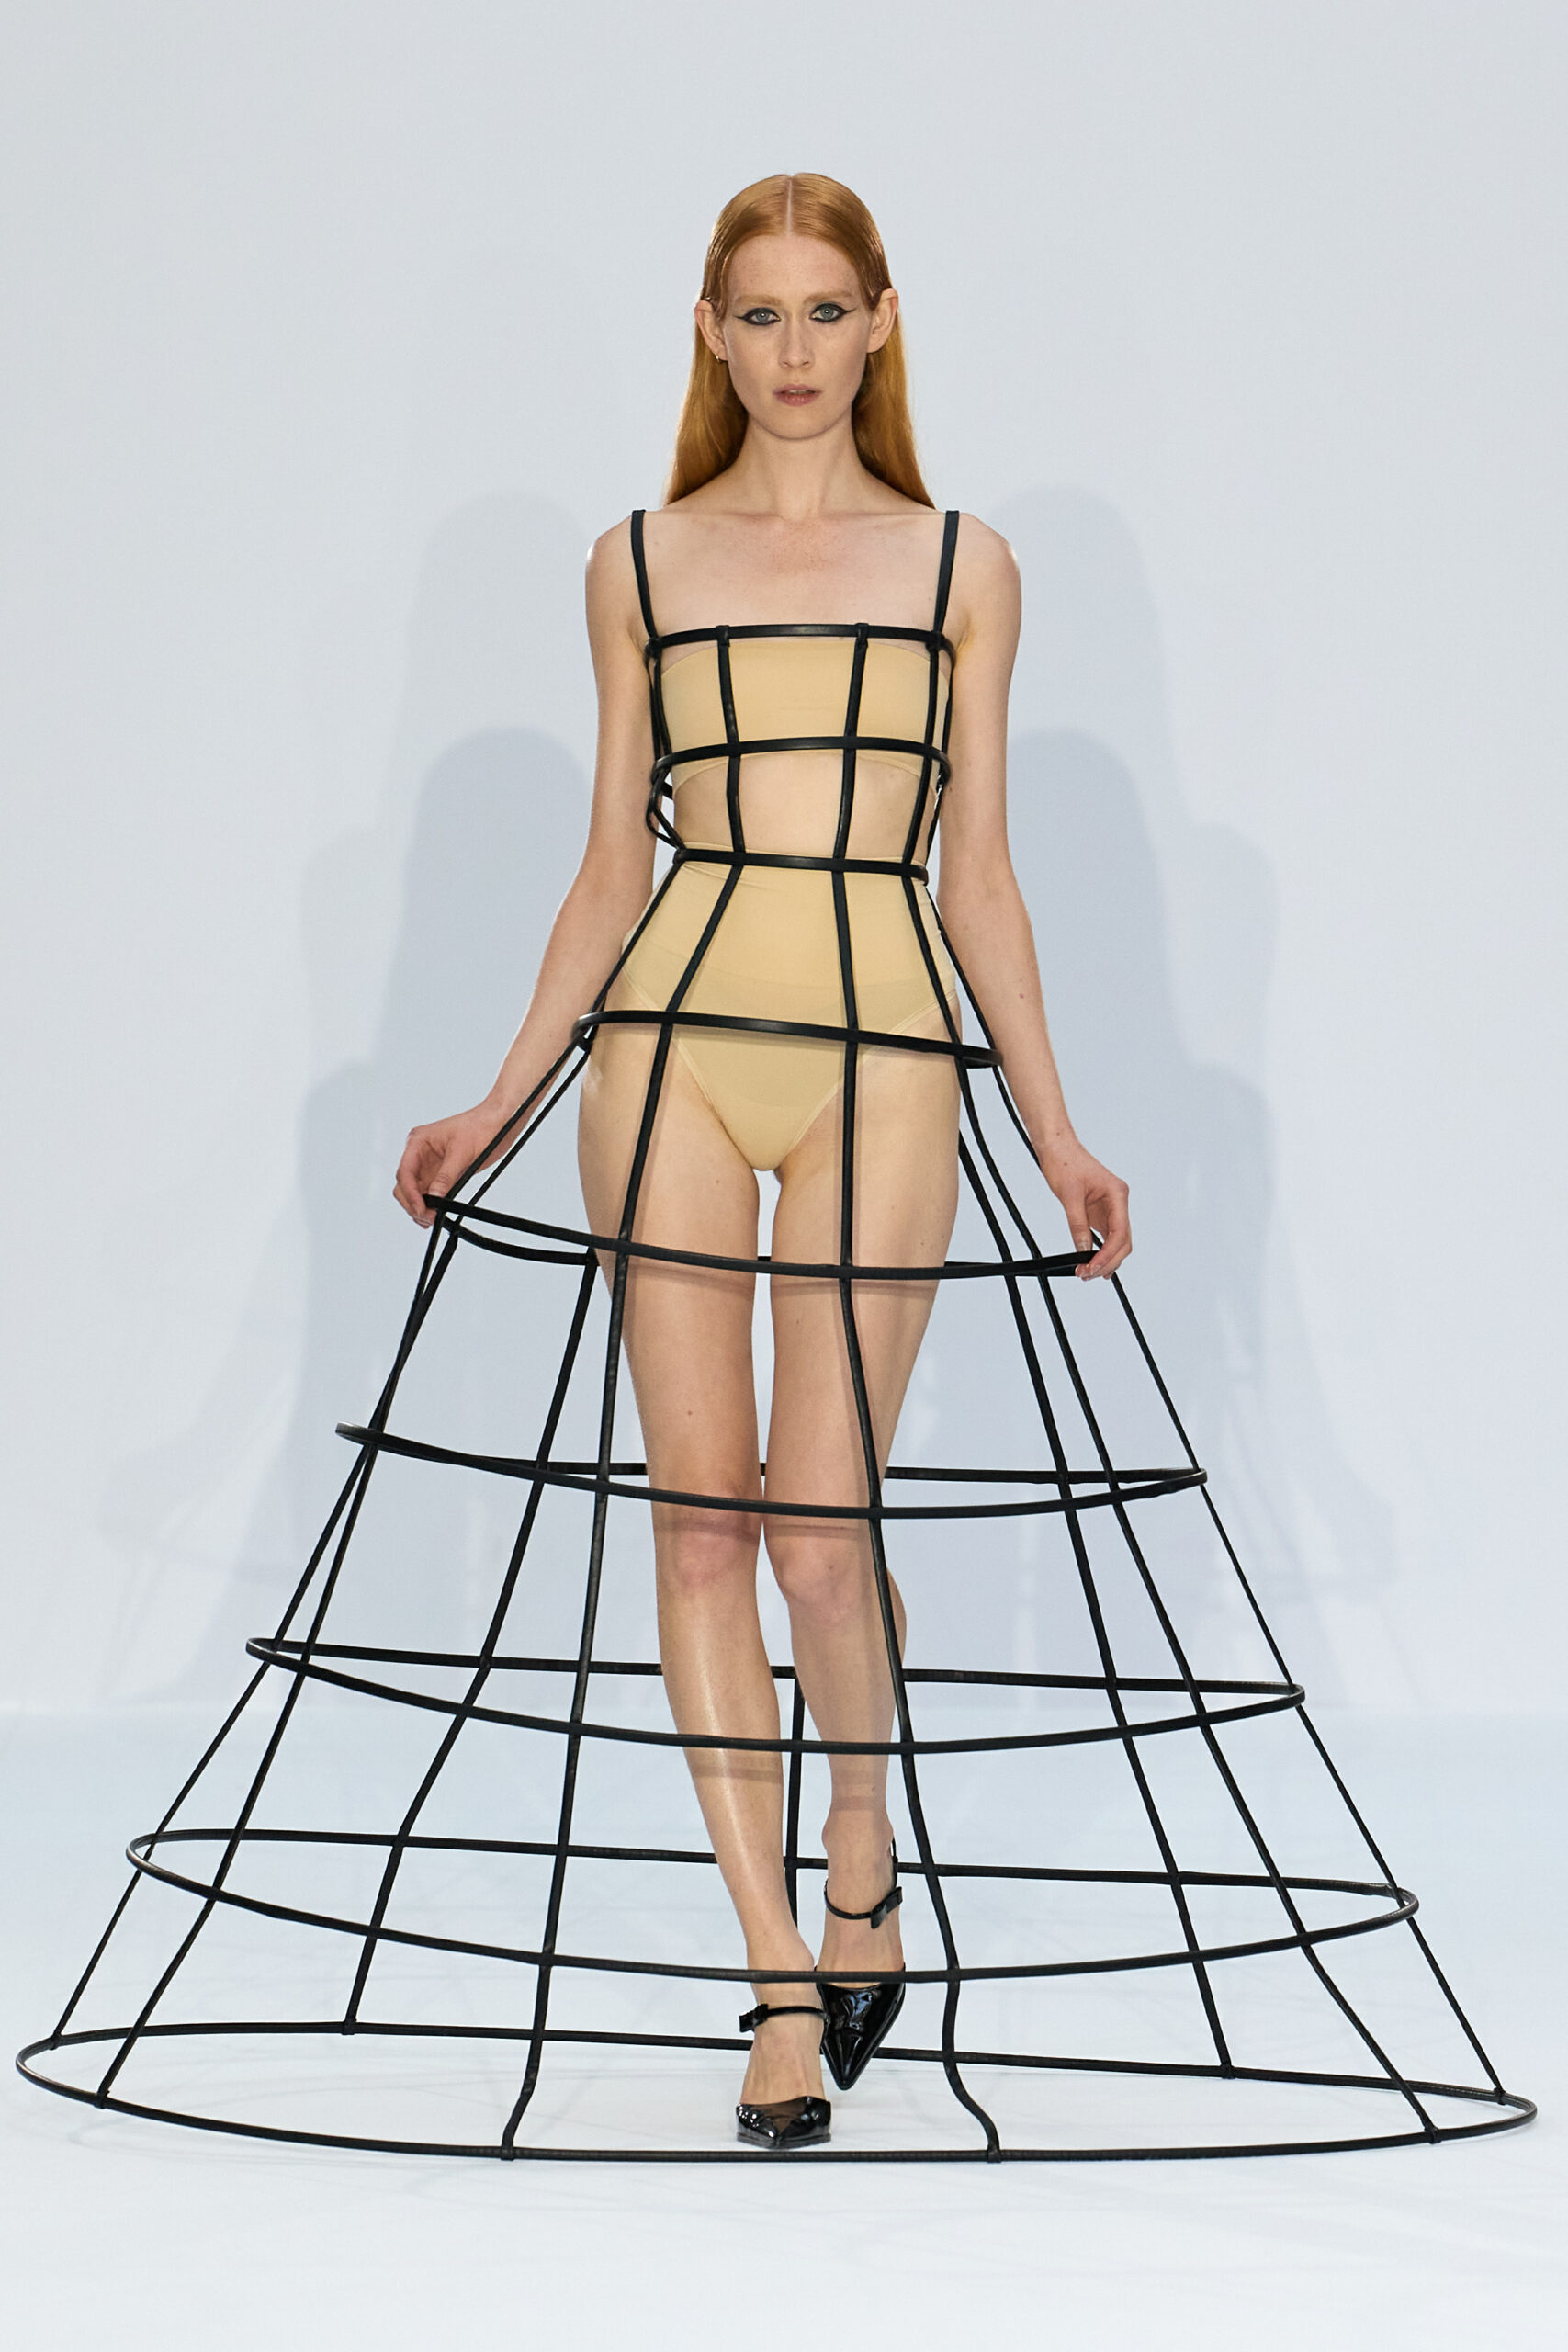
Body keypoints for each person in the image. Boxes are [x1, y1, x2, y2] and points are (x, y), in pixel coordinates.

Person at [392, 172, 1132, 2150]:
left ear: (879, 322)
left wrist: (1055, 1126)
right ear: (709, 334)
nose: (792, 350)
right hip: (670, 1044)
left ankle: (863, 1853)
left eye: (824, 311)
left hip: (881, 1045)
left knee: (821, 1522)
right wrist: (490, 1100)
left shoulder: (962, 564)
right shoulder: (634, 562)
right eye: (757, 314)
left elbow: (978, 873)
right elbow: (605, 868)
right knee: (700, 1526)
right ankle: (781, 1981)